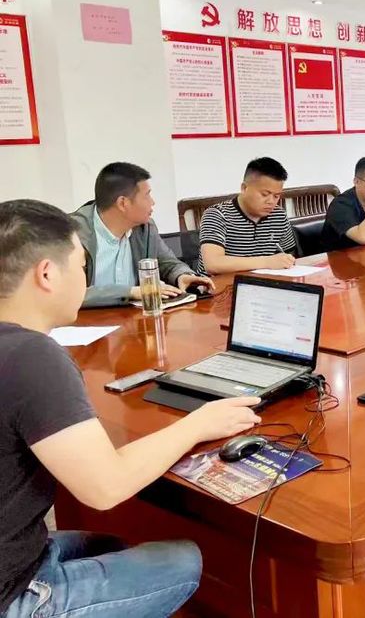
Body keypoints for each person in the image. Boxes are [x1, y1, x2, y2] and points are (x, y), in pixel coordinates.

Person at [0, 199, 262, 617]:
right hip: (11, 593)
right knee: (184, 560)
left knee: (111, 544)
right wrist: (198, 424)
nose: (84, 277)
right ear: (46, 274)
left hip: (20, 548)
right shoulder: (32, 356)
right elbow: (104, 487)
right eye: (80, 266)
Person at [70, 162, 214, 308]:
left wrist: (182, 276)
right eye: (147, 196)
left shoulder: (145, 228)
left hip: (135, 318)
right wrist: (132, 292)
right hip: (86, 320)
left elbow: (167, 263)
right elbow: (70, 294)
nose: (153, 202)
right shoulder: (71, 235)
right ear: (123, 203)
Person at [198, 157, 297, 274]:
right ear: (244, 188)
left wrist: (286, 260)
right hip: (217, 284)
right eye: (265, 194)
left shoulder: (278, 215)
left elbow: (290, 255)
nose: (271, 201)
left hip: (260, 282)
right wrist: (267, 262)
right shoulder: (217, 214)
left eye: (276, 196)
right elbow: (213, 264)